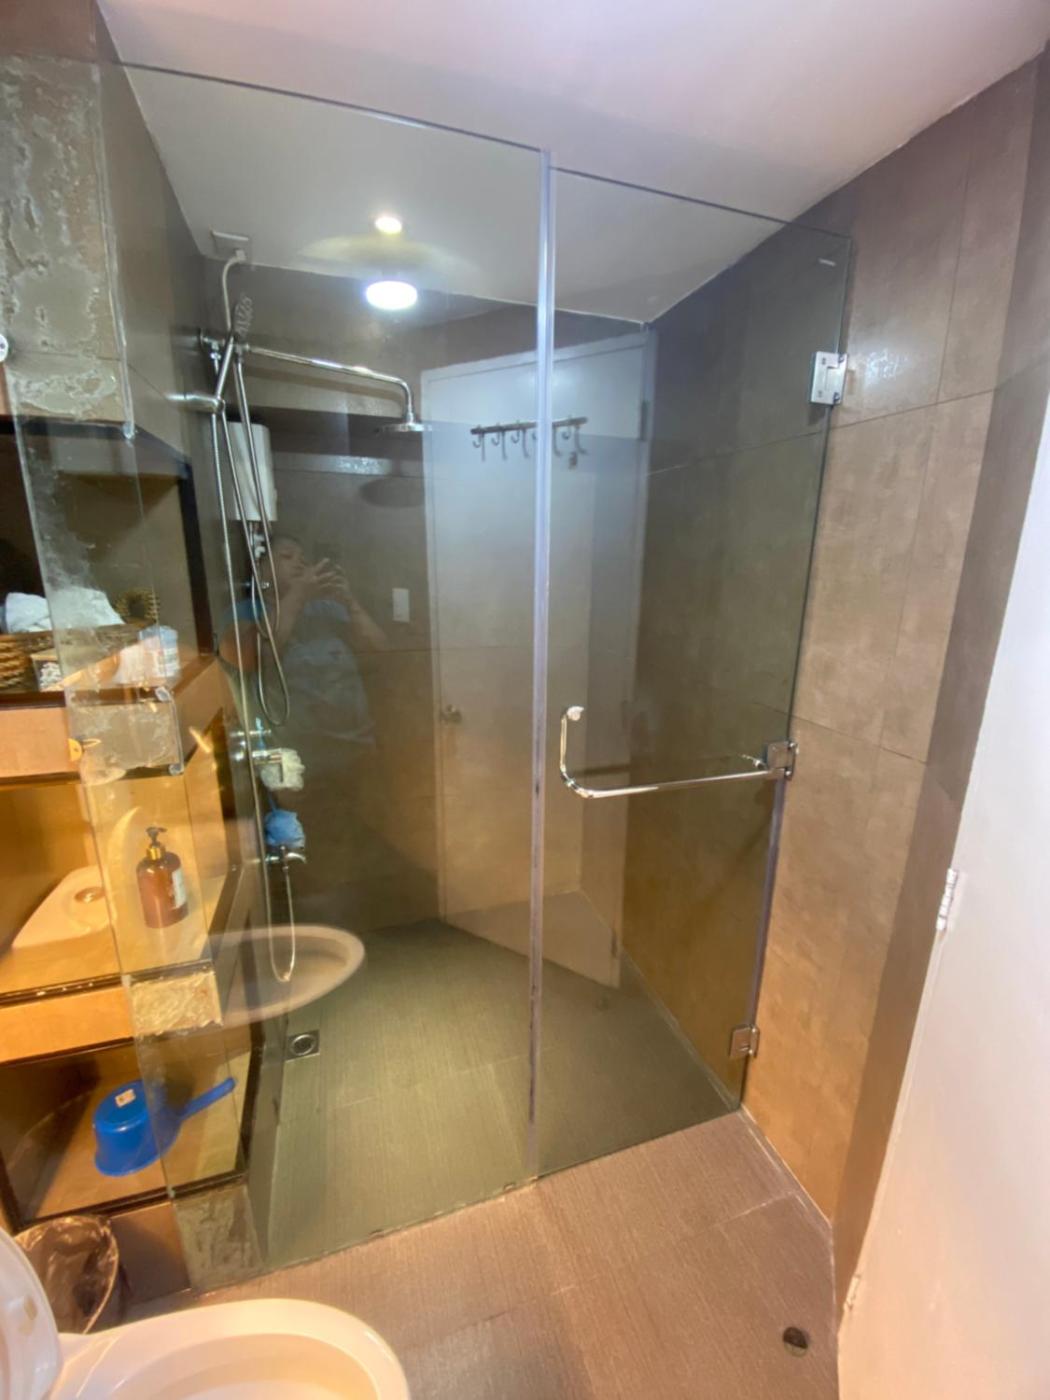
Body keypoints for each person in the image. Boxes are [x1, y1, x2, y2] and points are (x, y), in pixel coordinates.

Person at [222, 534, 388, 897]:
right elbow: (253, 658)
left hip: (354, 750)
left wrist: (350, 602)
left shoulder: (328, 610)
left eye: (303, 556)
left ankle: (353, 910)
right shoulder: (245, 613)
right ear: (260, 570)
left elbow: (380, 651)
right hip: (297, 763)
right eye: (287, 556)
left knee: (357, 845)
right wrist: (297, 595)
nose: (300, 562)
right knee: (311, 854)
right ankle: (317, 910)